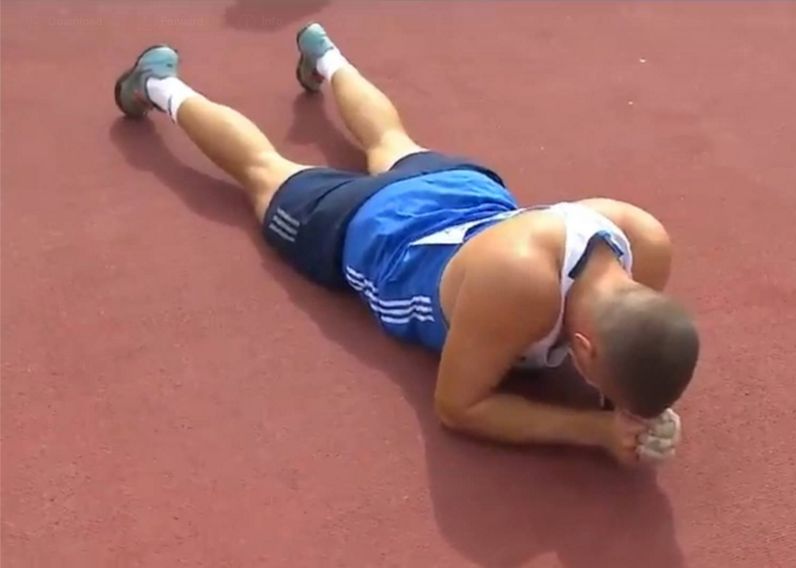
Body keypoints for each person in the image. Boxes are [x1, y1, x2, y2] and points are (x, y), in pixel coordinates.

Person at [113, 23, 700, 466]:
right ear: (582, 348)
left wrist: (634, 407)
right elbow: (459, 407)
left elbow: (633, 339)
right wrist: (595, 430)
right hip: (369, 228)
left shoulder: (644, 242)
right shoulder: (518, 290)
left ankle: (326, 55)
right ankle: (157, 83)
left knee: (391, 138)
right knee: (264, 171)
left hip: (465, 191)